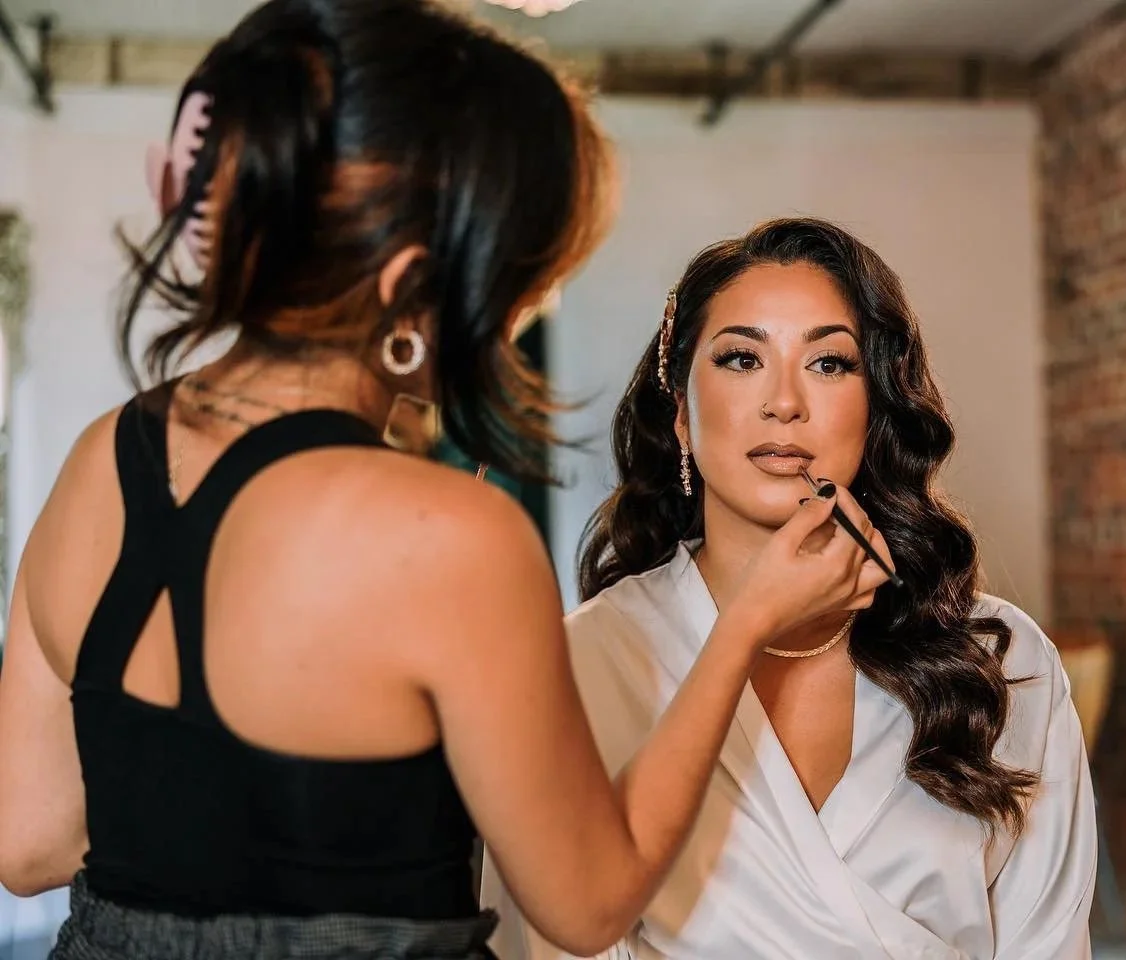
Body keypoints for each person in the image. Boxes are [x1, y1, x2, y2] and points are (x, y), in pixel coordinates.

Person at [0, 5, 888, 957]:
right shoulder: (451, 537)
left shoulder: (103, 459)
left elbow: (30, 841)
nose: (515, 318)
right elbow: (587, 904)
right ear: (413, 283)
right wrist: (744, 624)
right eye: (515, 281)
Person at [482, 218, 1098, 960]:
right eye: (742, 358)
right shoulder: (589, 660)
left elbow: (1049, 941)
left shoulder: (1001, 662)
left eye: (829, 363)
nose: (784, 402)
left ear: (875, 409)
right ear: (681, 416)